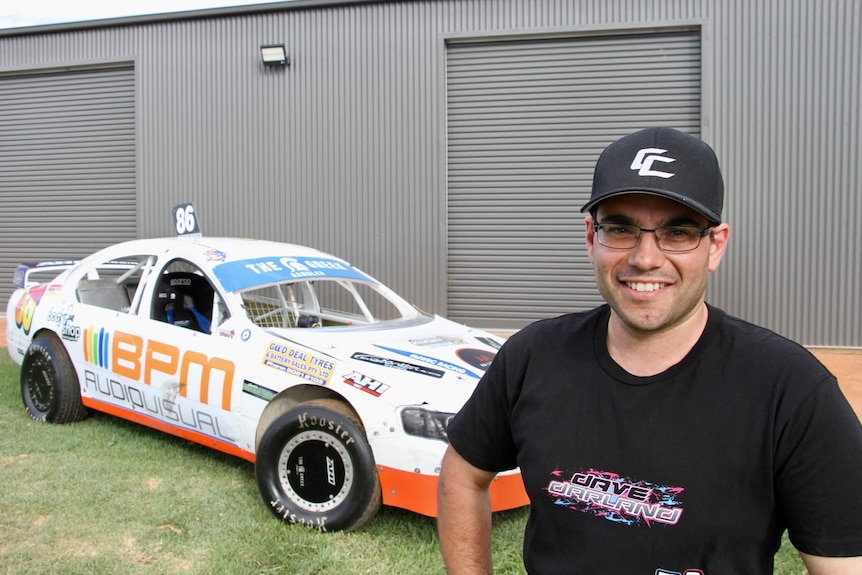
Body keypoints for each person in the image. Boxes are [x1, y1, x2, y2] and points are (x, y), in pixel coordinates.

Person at [437, 127, 862, 574]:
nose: (645, 258)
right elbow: (463, 475)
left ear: (715, 246)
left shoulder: (790, 391)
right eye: (620, 228)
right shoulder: (533, 357)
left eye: (677, 232)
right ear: (590, 237)